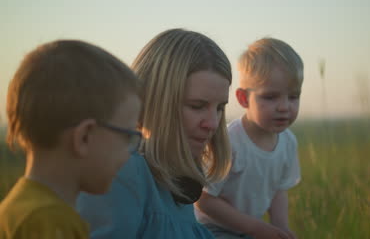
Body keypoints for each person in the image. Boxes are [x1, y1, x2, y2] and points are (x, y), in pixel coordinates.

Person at [77, 29, 232, 239]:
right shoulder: (122, 172)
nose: (213, 123)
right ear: (155, 100)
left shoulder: (180, 175)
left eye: (220, 108)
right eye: (197, 106)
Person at [0, 40, 142, 239]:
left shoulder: (17, 209)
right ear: (84, 137)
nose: (128, 155)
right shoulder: (51, 221)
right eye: (127, 136)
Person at [195, 37, 303, 239]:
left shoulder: (288, 143)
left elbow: (278, 189)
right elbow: (203, 199)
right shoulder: (229, 141)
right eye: (270, 97)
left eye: (293, 97)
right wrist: (255, 228)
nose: (284, 107)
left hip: (250, 231)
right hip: (211, 230)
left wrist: (281, 228)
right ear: (244, 98)